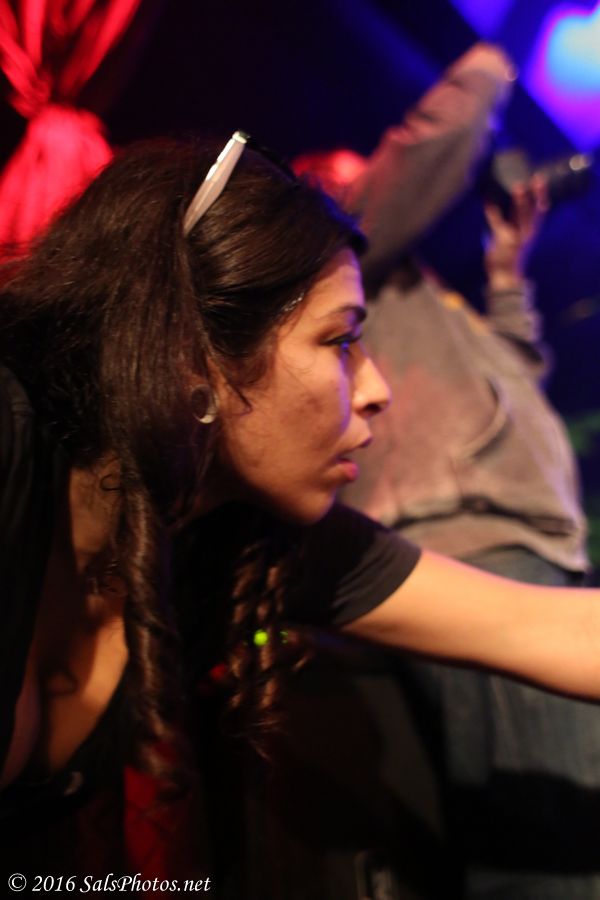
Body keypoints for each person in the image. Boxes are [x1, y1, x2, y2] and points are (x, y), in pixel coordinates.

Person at [1, 131, 600, 896]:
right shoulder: (10, 438)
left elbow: (543, 627)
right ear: (192, 355)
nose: (377, 389)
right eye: (340, 340)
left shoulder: (248, 538)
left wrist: (507, 276)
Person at [296, 44, 600, 899]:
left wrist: (505, 273)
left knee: (543, 841)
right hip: (474, 545)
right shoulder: (340, 250)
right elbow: (437, 144)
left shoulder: (416, 298)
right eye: (361, 179)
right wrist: (498, 57)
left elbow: (517, 371)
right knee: (558, 858)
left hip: (519, 543)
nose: (382, 186)